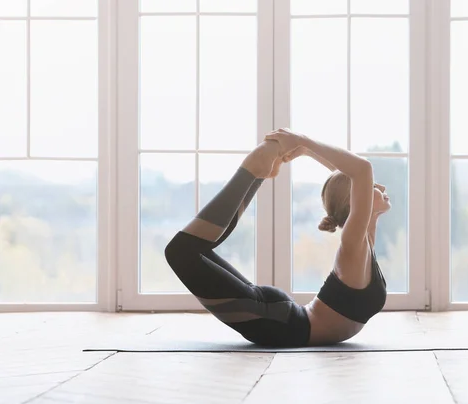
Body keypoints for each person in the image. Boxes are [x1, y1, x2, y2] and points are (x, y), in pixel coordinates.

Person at [164, 128, 391, 347]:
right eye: (372, 186)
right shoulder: (353, 243)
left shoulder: (364, 240)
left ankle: (256, 173)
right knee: (181, 252)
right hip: (282, 325)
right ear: (355, 202)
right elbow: (360, 170)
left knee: (191, 252)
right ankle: (252, 172)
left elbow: (351, 175)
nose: (380, 185)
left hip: (281, 319)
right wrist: (304, 142)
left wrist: (305, 149)